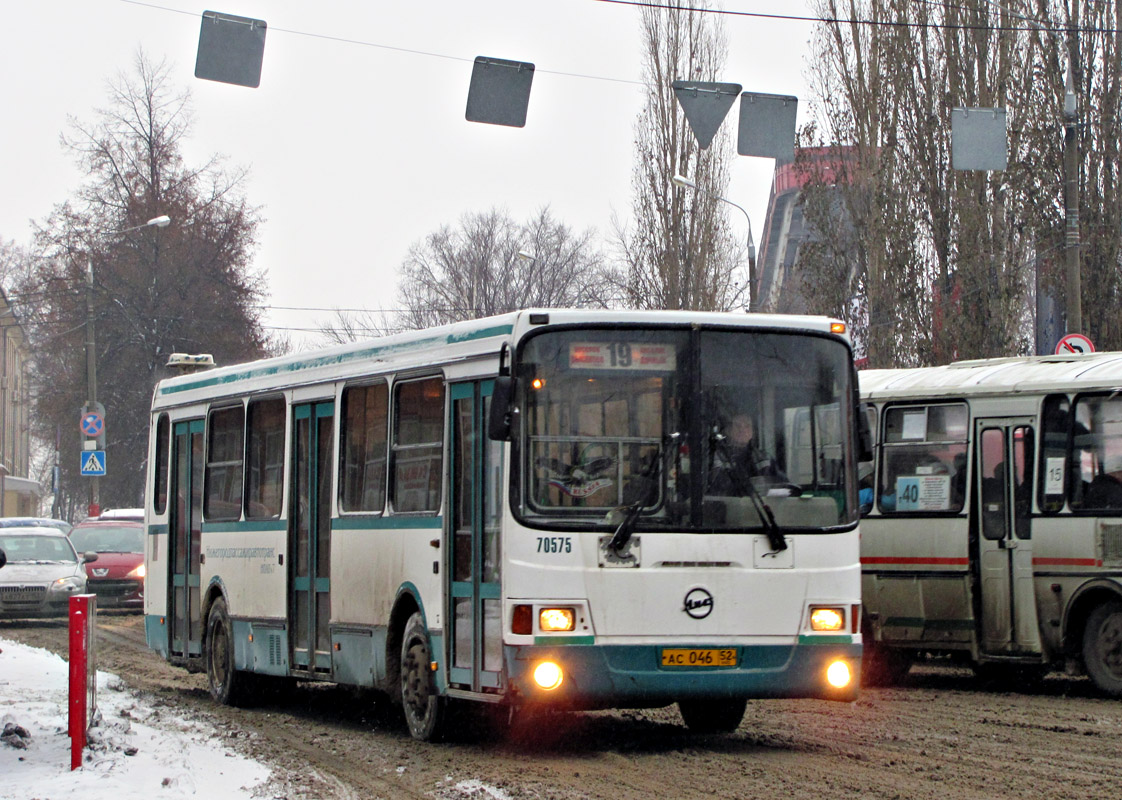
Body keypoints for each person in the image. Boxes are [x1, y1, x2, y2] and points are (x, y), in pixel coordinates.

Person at [709, 413, 786, 494]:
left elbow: (784, 486)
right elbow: (715, 493)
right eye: (737, 426)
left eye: (747, 426)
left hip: (757, 506)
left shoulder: (764, 460)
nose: (742, 430)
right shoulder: (716, 457)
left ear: (752, 432)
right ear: (728, 430)